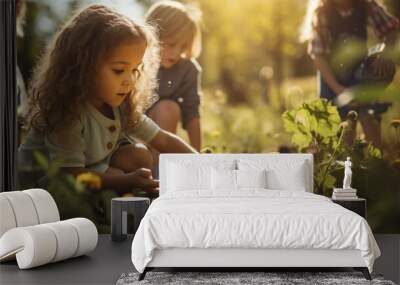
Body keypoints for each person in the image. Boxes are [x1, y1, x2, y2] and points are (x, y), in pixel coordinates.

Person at [18, 4, 197, 195]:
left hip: (86, 173)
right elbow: (70, 174)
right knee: (118, 177)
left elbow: (163, 140)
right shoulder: (66, 111)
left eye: (135, 70)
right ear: (84, 67)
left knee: (139, 156)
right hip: (44, 190)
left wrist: (203, 162)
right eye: (119, 70)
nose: (129, 80)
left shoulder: (120, 105)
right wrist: (125, 181)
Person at [301, 0, 399, 147]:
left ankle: (375, 163)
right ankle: (349, 162)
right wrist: (339, 90)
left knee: (369, 119)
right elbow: (317, 56)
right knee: (344, 135)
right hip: (332, 79)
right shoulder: (322, 13)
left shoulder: (366, 5)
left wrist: (384, 56)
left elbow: (391, 29)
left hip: (359, 73)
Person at [145, 1, 203, 152]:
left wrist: (197, 155)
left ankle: (158, 170)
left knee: (168, 108)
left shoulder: (187, 69)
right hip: (129, 136)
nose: (177, 53)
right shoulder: (136, 60)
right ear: (152, 36)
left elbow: (192, 113)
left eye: (183, 47)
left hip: (160, 140)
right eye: (171, 44)